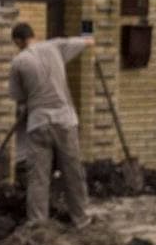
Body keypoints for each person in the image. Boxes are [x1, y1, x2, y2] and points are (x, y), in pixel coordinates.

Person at [7, 22, 96, 225]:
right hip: (65, 121)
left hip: (38, 123)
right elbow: (87, 41)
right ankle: (80, 218)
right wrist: (89, 31)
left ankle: (38, 222)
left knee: (38, 176)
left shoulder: (18, 61)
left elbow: (17, 96)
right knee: (72, 171)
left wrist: (28, 99)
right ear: (33, 35)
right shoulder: (54, 46)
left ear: (18, 41)